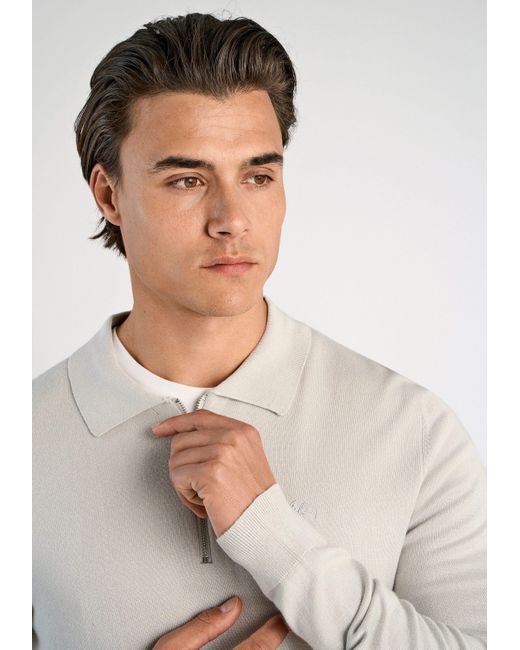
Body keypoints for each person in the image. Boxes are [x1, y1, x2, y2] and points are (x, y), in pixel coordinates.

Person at [32, 12, 486, 650]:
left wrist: (268, 528)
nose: (232, 219)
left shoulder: (413, 430)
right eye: (188, 180)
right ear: (109, 195)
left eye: (257, 176)